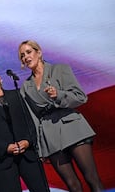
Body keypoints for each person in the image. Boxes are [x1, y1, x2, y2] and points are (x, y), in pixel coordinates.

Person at [18, 40, 104, 192]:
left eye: (29, 52)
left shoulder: (60, 69)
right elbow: (33, 118)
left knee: (91, 178)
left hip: (72, 128)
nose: (26, 57)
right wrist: (40, 147)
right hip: (50, 137)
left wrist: (59, 94)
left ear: (39, 52)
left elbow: (80, 97)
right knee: (72, 185)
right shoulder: (26, 87)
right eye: (22, 55)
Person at [0, 63, 50, 192]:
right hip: (3, 159)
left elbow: (29, 120)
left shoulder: (16, 95)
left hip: (27, 154)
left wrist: (27, 141)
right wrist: (5, 147)